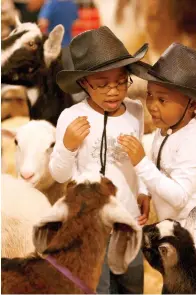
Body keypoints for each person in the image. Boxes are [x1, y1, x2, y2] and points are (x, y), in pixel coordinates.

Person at [49, 26, 150, 294]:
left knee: (131, 285)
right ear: (84, 82)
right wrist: (68, 146)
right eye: (103, 84)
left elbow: (139, 161)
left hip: (127, 222)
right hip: (89, 227)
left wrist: (143, 190)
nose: (114, 91)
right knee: (96, 288)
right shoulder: (70, 117)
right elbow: (60, 175)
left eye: (120, 82)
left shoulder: (136, 112)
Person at [118, 43, 196, 277]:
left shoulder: (195, 140)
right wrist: (145, 192)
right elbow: (157, 163)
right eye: (150, 95)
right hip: (174, 237)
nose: (152, 106)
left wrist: (140, 164)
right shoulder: (165, 130)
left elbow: (179, 197)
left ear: (193, 104)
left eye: (163, 100)